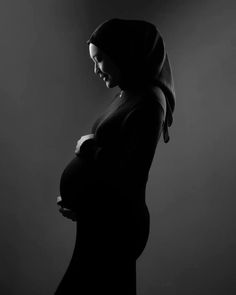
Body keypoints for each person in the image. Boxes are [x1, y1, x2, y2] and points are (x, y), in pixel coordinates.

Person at [55, 18, 176, 295]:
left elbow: (129, 174)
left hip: (117, 227)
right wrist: (83, 204)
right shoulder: (130, 91)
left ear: (123, 54)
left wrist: (89, 149)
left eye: (100, 60)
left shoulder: (149, 102)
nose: (95, 69)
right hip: (102, 219)